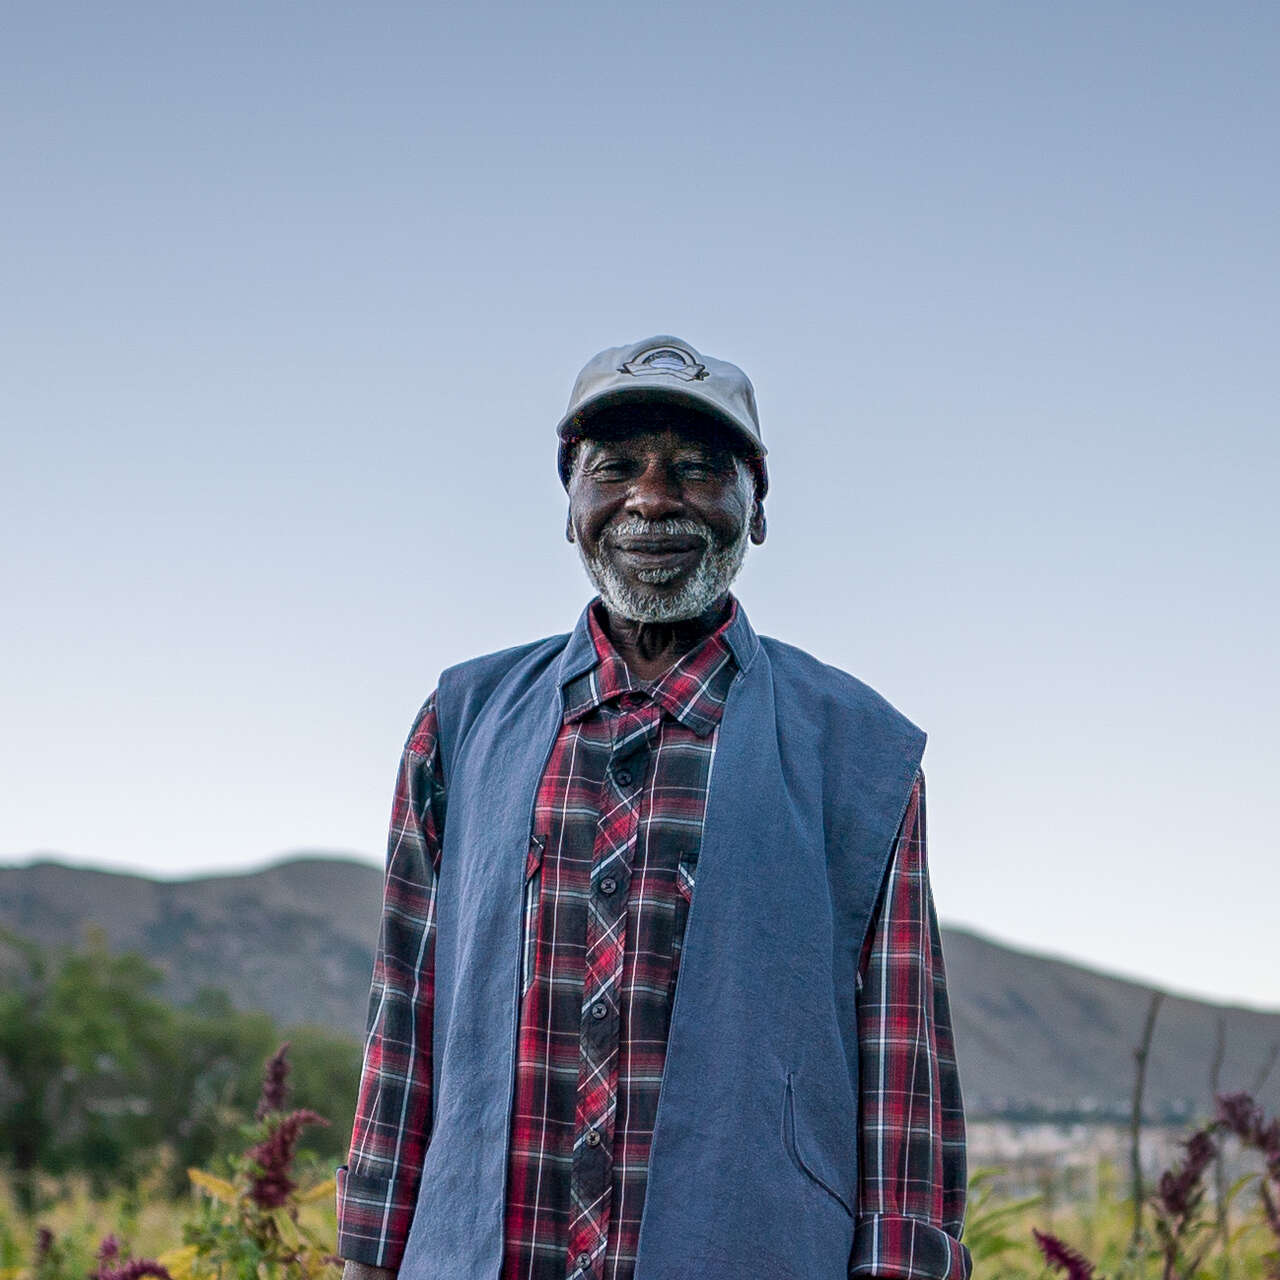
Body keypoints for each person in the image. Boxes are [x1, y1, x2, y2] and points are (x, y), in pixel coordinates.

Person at [335, 335, 970, 1280]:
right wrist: (367, 1257)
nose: (652, 498)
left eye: (698, 469)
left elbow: (900, 1064)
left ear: (754, 507)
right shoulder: (461, 724)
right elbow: (405, 1020)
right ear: (571, 508)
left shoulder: (860, 750)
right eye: (617, 468)